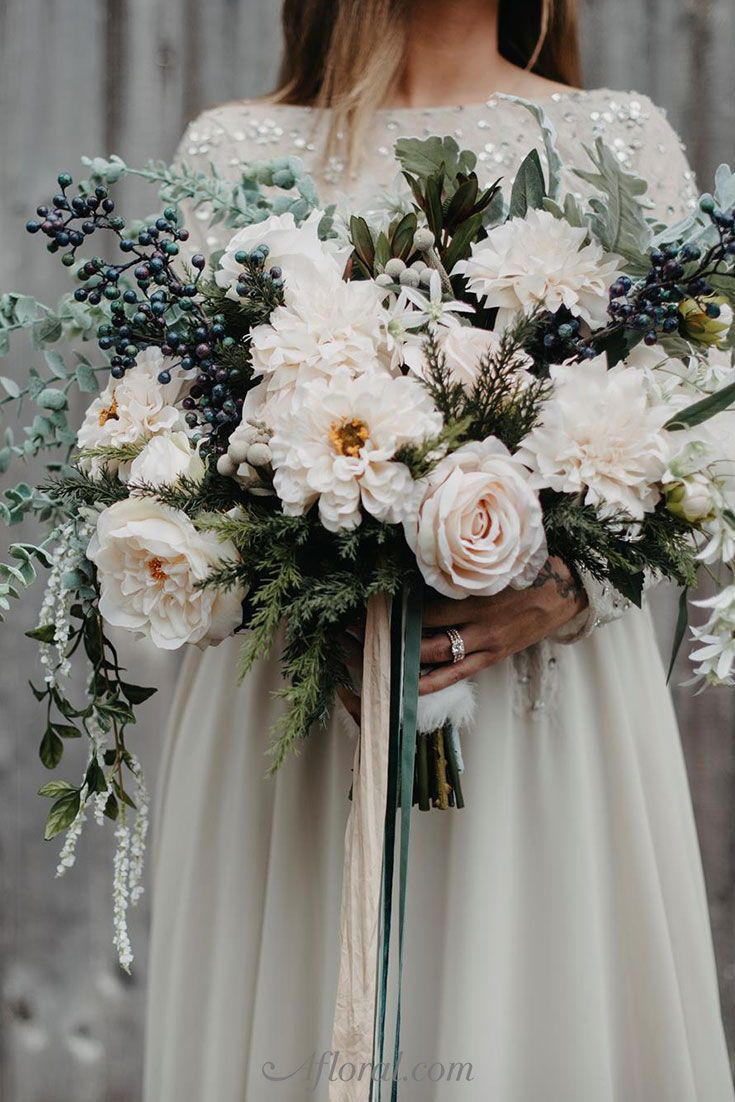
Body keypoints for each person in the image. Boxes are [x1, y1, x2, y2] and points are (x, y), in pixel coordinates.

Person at [143, 1, 734, 1098]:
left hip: (534, 712)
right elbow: (168, 455)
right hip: (298, 709)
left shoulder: (614, 138)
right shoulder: (234, 152)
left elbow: (694, 445)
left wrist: (558, 589)